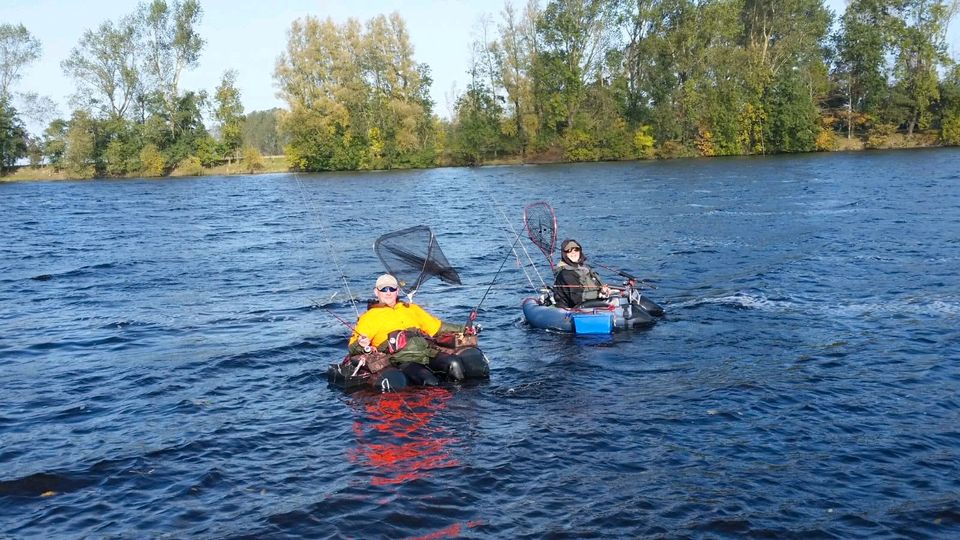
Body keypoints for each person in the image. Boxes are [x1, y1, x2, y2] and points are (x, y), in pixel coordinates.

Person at [347, 274, 475, 385]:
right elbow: (353, 346)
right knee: (430, 381)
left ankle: (462, 405)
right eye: (384, 289)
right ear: (376, 292)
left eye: (392, 288)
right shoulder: (368, 318)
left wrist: (464, 328)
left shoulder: (411, 308)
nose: (388, 292)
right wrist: (361, 344)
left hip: (427, 353)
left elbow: (437, 327)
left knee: (454, 364)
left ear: (397, 291)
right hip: (402, 359)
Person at [553, 239, 611, 309]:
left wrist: (605, 290)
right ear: (565, 254)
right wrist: (599, 294)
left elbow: (599, 286)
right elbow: (577, 298)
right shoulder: (565, 273)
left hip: (592, 304)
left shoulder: (585, 269)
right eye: (569, 251)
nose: (573, 253)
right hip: (573, 308)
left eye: (576, 250)